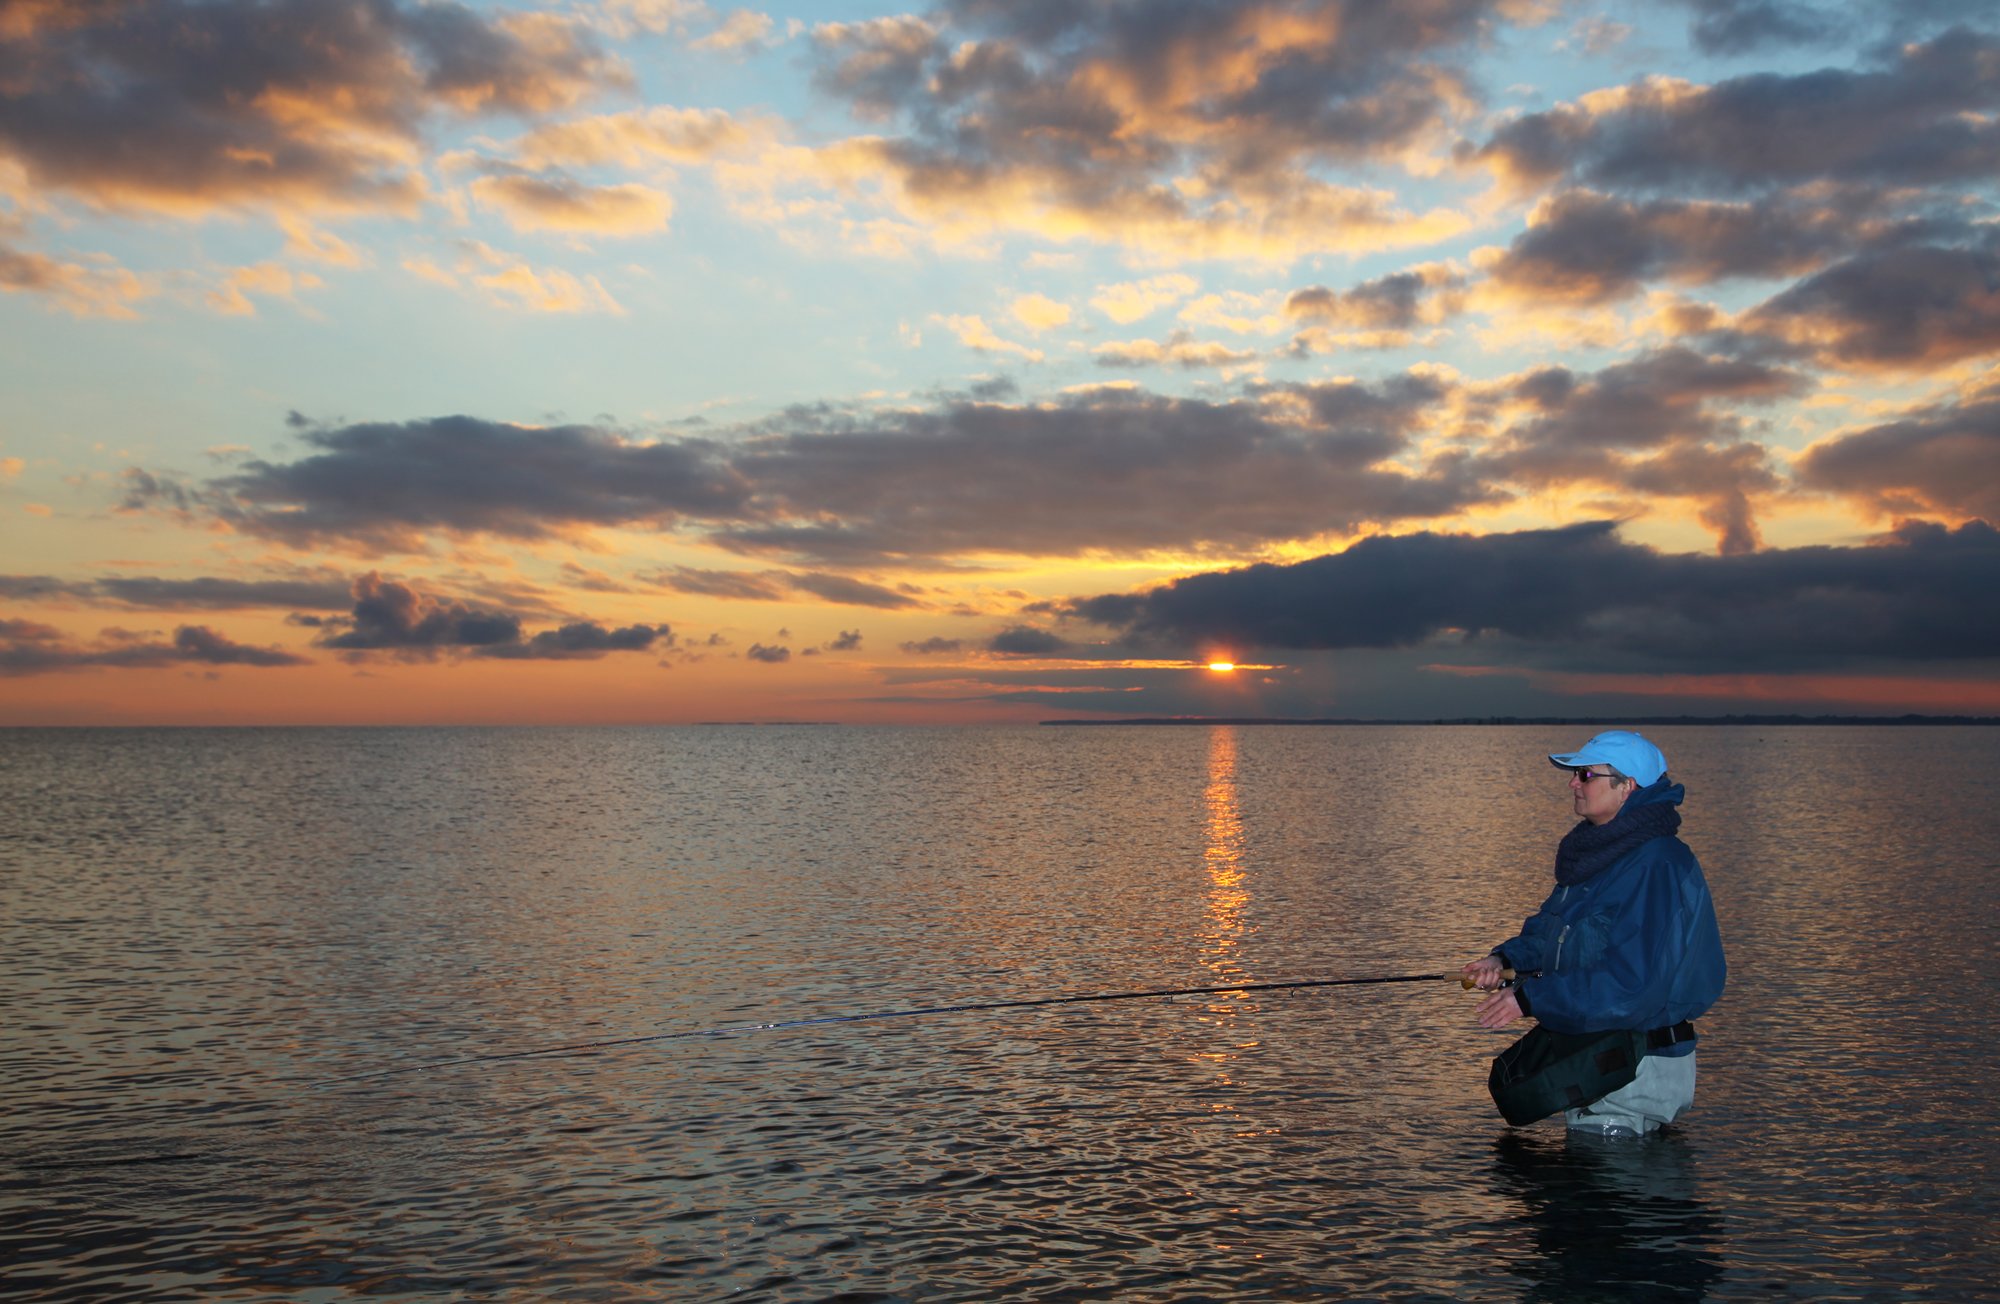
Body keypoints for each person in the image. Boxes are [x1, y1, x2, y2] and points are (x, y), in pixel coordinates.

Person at [1462, 730, 1726, 1136]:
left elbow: (1631, 986)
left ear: (1627, 787)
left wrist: (1531, 999)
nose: (1573, 783)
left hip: (1634, 1068)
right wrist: (1505, 961)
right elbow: (1557, 936)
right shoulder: (1603, 854)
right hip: (1601, 1057)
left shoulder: (1656, 864)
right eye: (1575, 774)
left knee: (1611, 1190)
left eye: (1586, 774)